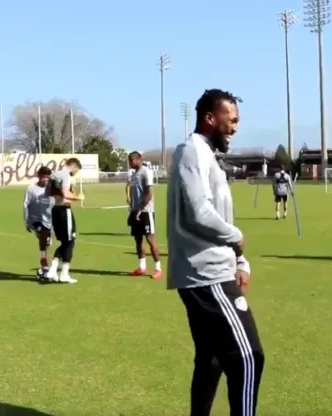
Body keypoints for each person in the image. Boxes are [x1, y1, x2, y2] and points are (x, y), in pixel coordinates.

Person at [167, 89, 264, 416]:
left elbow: (219, 215)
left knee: (211, 360)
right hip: (206, 274)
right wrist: (236, 237)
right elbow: (198, 212)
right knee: (249, 357)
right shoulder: (191, 151)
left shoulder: (208, 156)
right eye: (231, 119)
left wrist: (240, 261)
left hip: (215, 269)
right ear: (210, 118)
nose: (235, 127)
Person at [44, 158, 85, 283]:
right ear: (73, 166)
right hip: (63, 210)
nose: (76, 173)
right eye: (76, 170)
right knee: (70, 241)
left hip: (55, 210)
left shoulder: (54, 175)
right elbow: (66, 194)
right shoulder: (65, 175)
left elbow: (48, 192)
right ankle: (63, 273)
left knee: (64, 242)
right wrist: (78, 197)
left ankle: (54, 270)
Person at [127, 151, 163, 279]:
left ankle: (158, 268)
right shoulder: (133, 174)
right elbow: (133, 194)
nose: (130, 162)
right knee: (138, 239)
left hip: (146, 211)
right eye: (129, 160)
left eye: (132, 160)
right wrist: (132, 210)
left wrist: (141, 209)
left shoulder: (146, 172)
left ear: (139, 159)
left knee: (150, 239)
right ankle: (142, 267)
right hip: (134, 211)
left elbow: (149, 193)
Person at [23, 166, 54, 274]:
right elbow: (26, 204)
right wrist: (26, 221)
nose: (46, 180)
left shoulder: (51, 189)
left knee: (47, 242)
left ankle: (45, 263)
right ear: (39, 176)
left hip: (48, 220)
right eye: (44, 177)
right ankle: (44, 264)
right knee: (43, 235)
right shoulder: (31, 189)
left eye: (48, 178)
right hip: (35, 220)